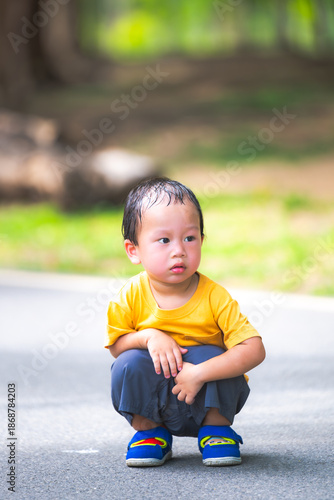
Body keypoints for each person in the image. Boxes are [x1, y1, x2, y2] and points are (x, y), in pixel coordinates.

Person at [105, 177, 265, 468]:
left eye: (189, 238)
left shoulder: (214, 296)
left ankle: (216, 430)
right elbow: (116, 346)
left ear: (202, 240)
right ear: (134, 250)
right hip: (156, 398)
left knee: (216, 354)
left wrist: (201, 372)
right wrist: (149, 336)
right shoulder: (129, 295)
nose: (179, 250)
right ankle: (149, 432)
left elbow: (254, 349)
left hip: (206, 397)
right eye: (164, 240)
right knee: (128, 362)